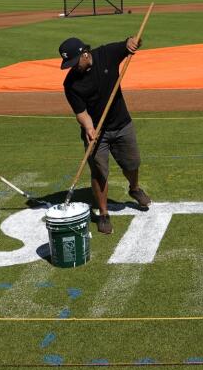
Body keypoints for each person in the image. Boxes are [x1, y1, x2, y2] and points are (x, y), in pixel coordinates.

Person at [59, 34, 150, 235]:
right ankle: (103, 213)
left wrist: (133, 42)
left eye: (75, 63)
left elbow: (129, 43)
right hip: (96, 132)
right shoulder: (70, 84)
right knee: (99, 172)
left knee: (132, 163)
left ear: (85, 54)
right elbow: (81, 113)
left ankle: (134, 188)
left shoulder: (106, 54)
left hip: (122, 124)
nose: (73, 68)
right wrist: (89, 128)